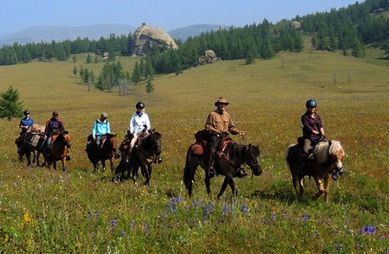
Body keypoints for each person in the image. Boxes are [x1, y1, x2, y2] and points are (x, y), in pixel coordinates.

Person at [204, 97, 245, 178]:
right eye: (221, 104)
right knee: (212, 149)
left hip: (225, 136)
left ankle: (237, 169)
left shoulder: (227, 115)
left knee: (235, 149)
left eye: (224, 104)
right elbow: (207, 126)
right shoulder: (212, 114)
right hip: (215, 136)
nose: (223, 105)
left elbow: (231, 127)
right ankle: (209, 168)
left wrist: (238, 131)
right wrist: (215, 131)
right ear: (218, 105)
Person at [297, 99, 326, 176]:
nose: (312, 109)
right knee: (306, 151)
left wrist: (322, 133)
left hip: (318, 137)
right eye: (310, 107)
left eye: (313, 107)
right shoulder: (304, 117)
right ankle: (301, 168)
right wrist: (316, 132)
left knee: (328, 149)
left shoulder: (317, 116)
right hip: (309, 137)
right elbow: (308, 128)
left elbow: (320, 125)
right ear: (307, 108)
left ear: (315, 108)